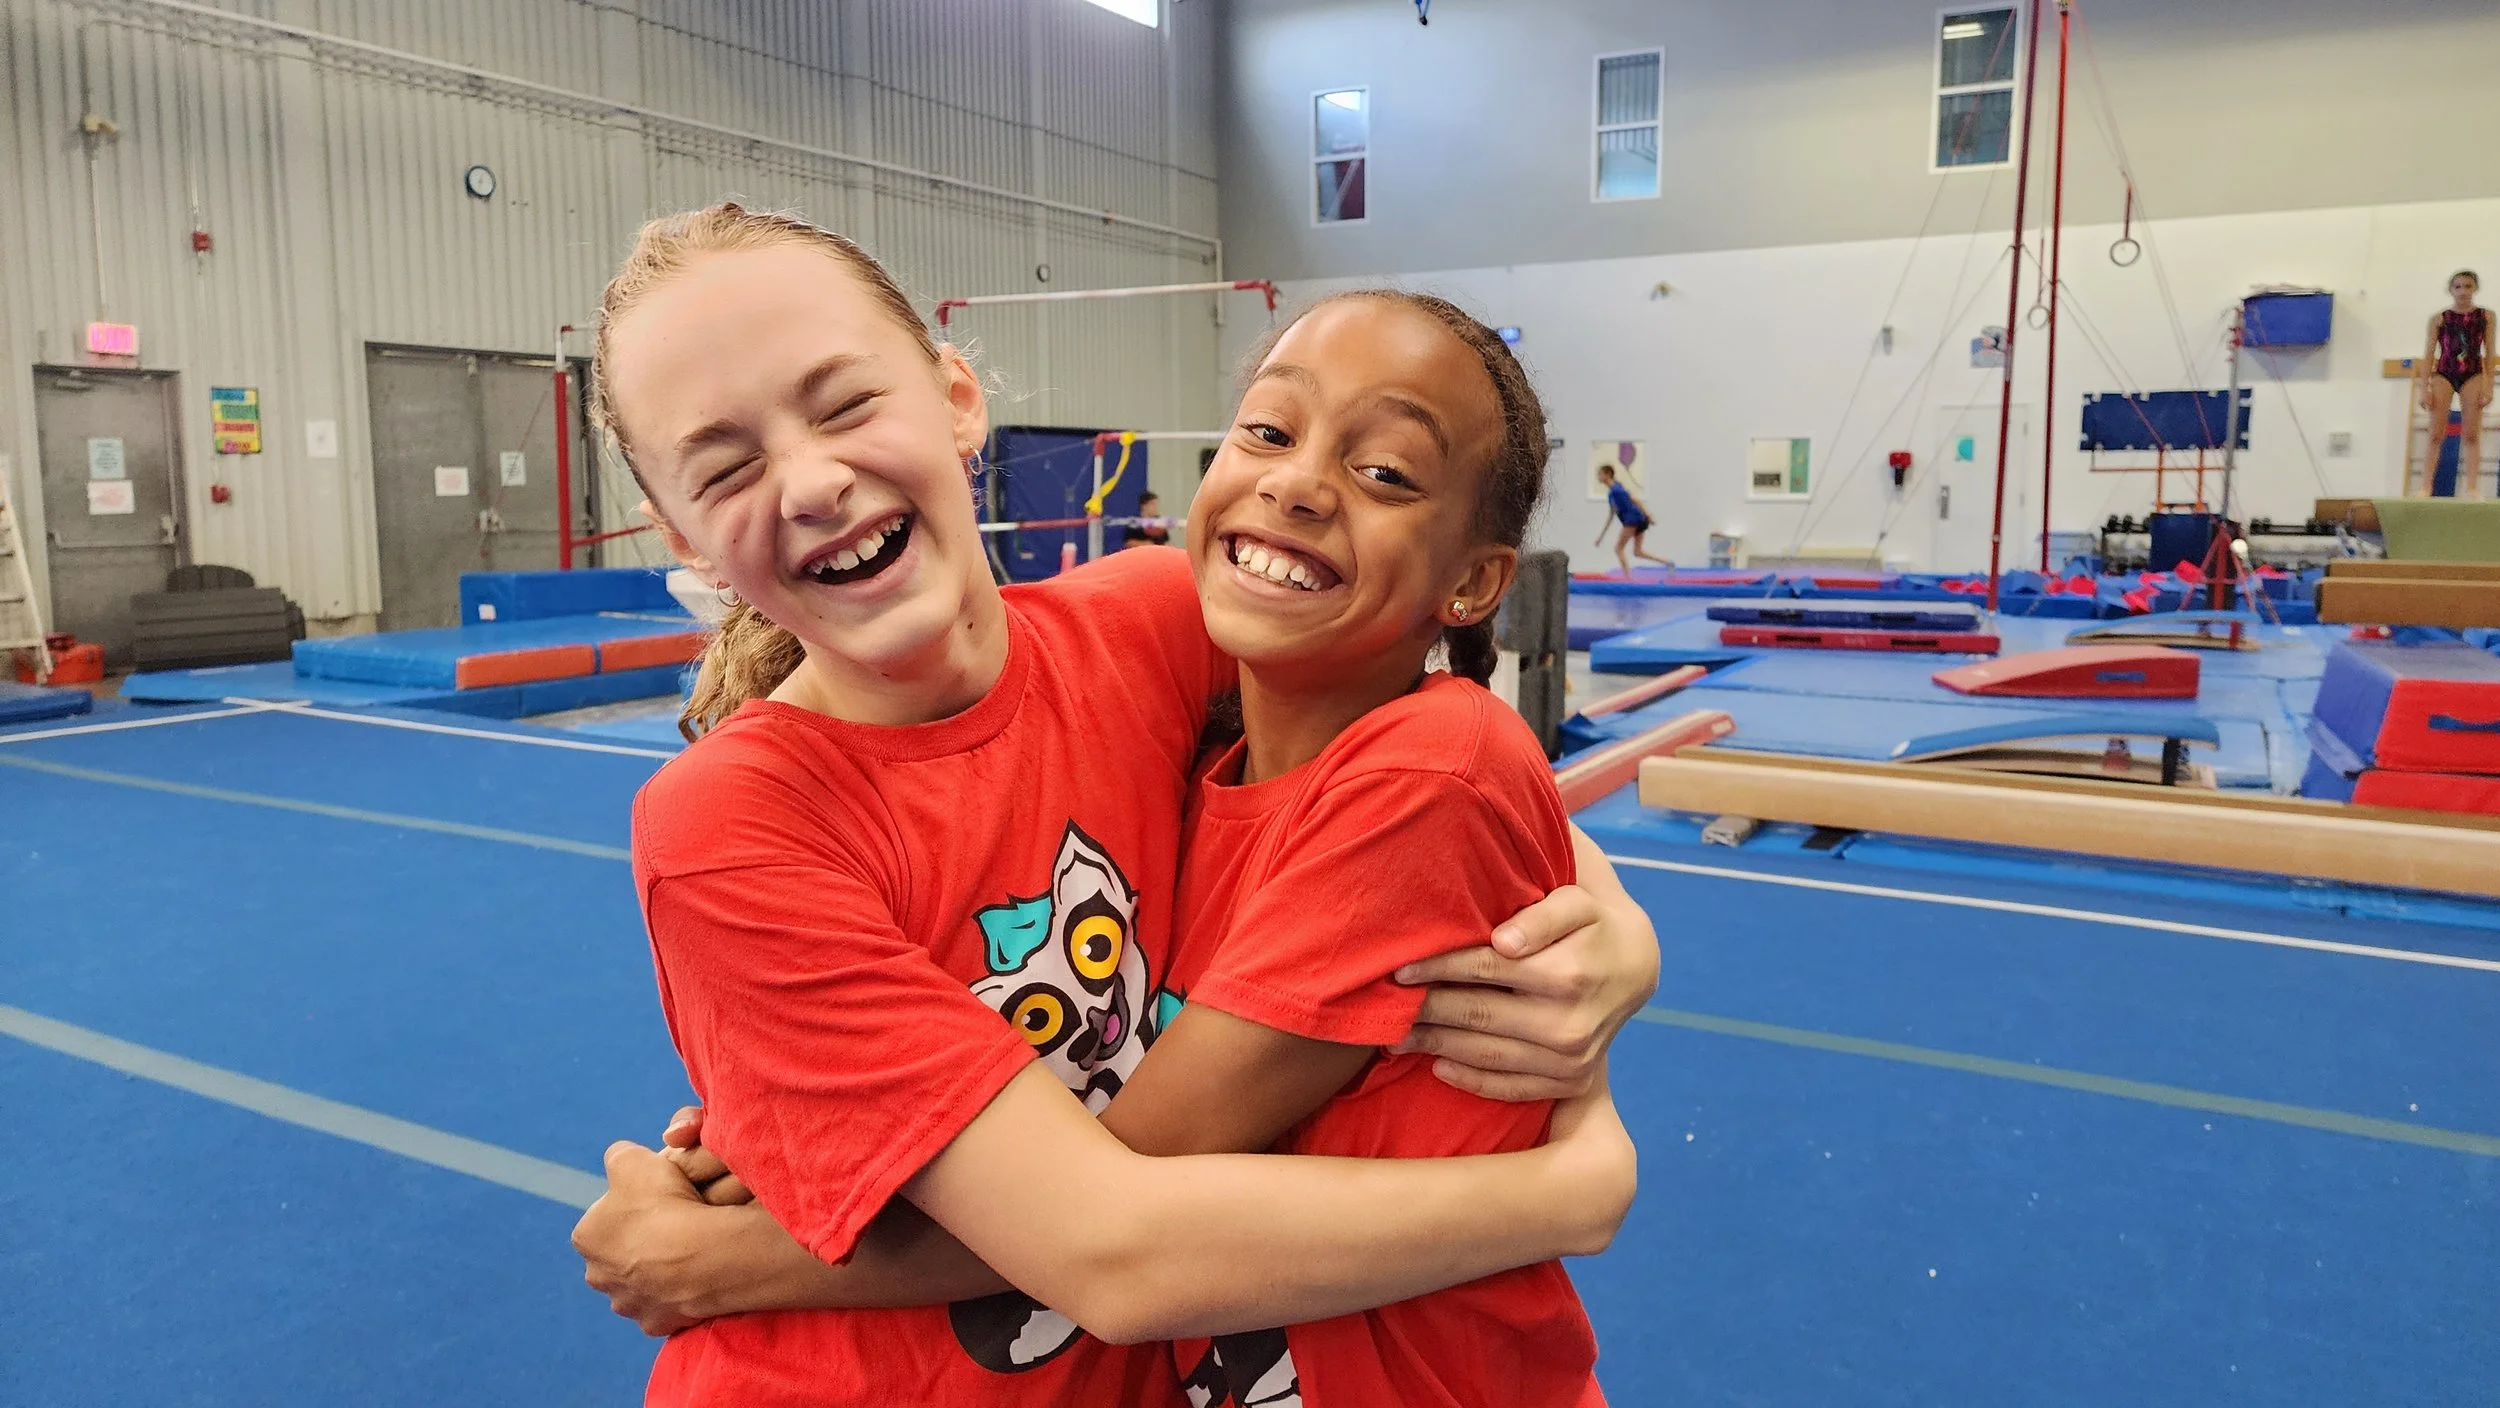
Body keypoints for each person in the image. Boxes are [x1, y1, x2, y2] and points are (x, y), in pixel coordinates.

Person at [571, 204, 1658, 1406]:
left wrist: (1616, 933)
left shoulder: (1149, 624)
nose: (815, 480)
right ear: (683, 535)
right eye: (727, 467)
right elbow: (1108, 1246)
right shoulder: (730, 825)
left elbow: (1429, 769)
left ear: (955, 399)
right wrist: (1573, 1187)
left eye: (844, 405)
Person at [2422, 270, 2492, 498]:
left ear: (2475, 289)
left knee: (2471, 434)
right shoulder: (2440, 318)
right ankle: (2426, 486)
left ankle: (2471, 487)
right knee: (2435, 434)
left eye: (2468, 286)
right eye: (2458, 286)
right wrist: (2425, 388)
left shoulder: (2486, 317)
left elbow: (2490, 353)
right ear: (2451, 290)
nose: (2463, 291)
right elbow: (2429, 354)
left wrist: (2489, 385)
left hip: (2472, 374)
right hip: (2444, 373)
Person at [1593, 463, 1669, 576]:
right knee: (1637, 552)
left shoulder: (1616, 490)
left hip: (1633, 519)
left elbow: (1635, 500)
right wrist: (1601, 537)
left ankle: (1628, 578)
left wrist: (1648, 515)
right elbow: (1610, 516)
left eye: (1600, 474)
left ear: (1608, 474)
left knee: (1618, 549)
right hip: (1638, 520)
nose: (1598, 477)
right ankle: (1667, 562)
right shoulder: (1612, 494)